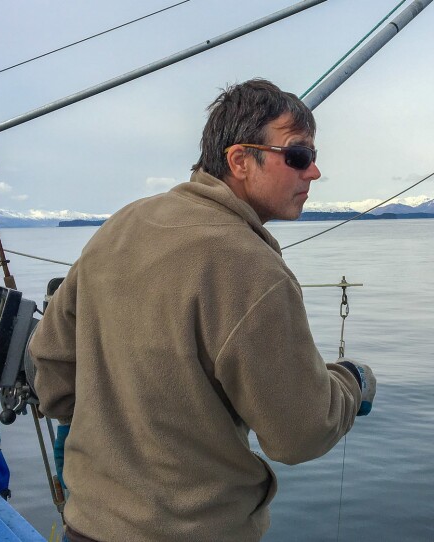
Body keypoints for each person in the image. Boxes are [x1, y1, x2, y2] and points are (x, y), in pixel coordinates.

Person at [28, 78, 376, 542]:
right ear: (239, 160)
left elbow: (49, 373)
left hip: (87, 526)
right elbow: (301, 431)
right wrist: (350, 382)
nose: (312, 172)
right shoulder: (254, 270)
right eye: (298, 155)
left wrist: (116, 428)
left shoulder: (122, 225)